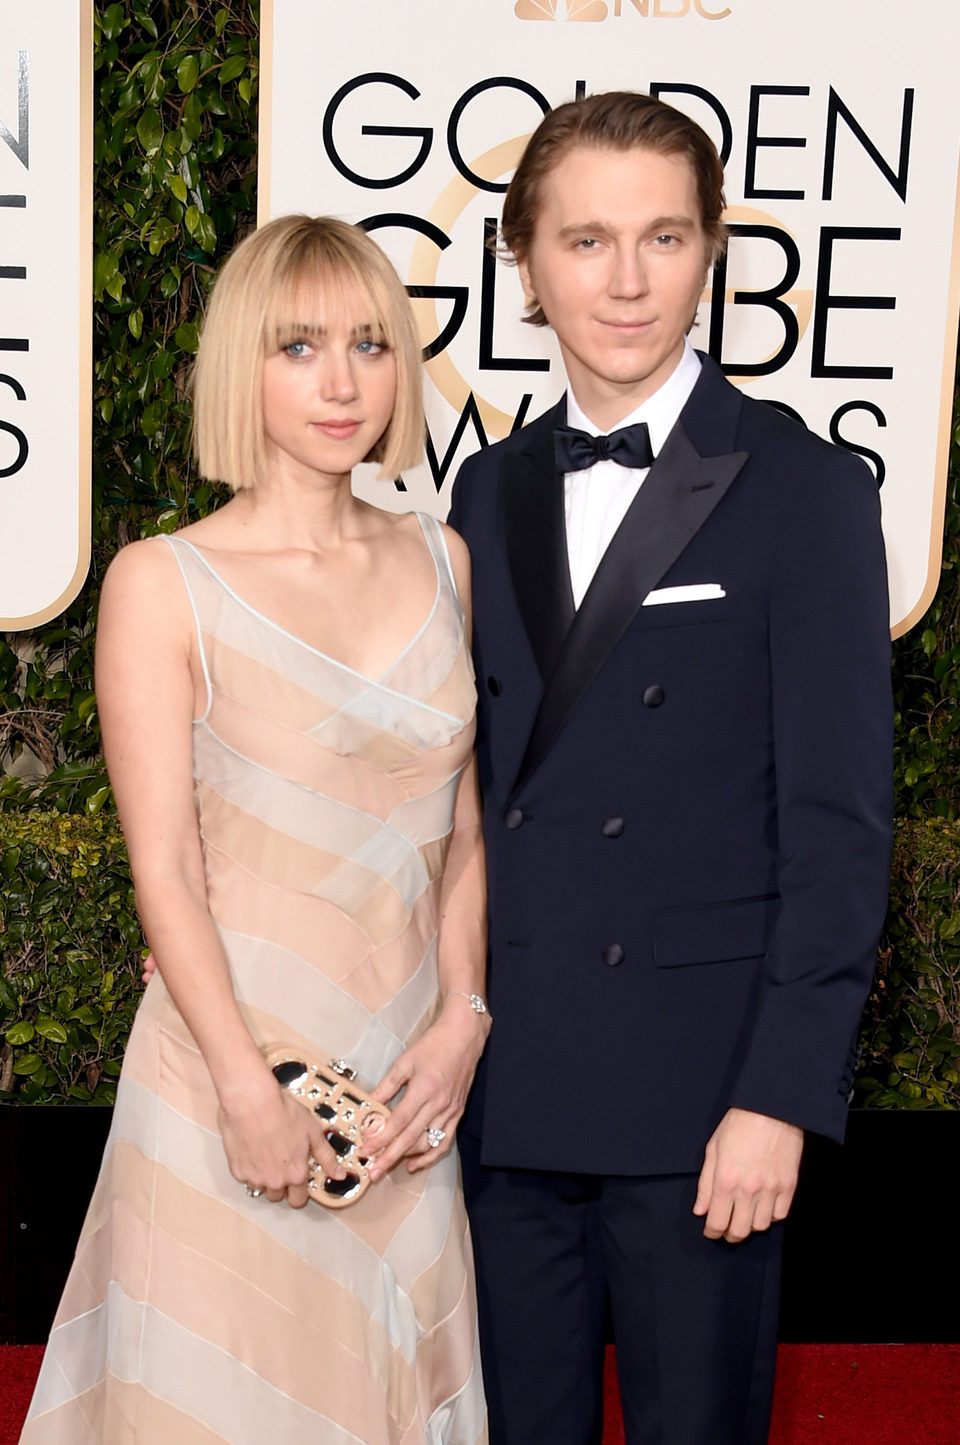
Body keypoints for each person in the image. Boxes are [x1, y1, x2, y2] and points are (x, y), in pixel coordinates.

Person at [448, 92, 892, 1445]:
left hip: (702, 1107)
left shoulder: (804, 489)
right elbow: (452, 793)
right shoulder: (487, 490)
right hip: (504, 1088)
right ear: (527, 260)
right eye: (587, 240)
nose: (628, 281)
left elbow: (839, 826)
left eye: (664, 238)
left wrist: (780, 1095)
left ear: (711, 255)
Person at [21, 215, 489, 1445]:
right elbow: (163, 868)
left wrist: (462, 1021)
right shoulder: (162, 579)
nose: (342, 382)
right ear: (245, 363)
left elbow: (466, 834)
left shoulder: (446, 562)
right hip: (228, 1076)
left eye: (370, 344)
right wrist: (243, 1088)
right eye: (298, 346)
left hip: (398, 1093)